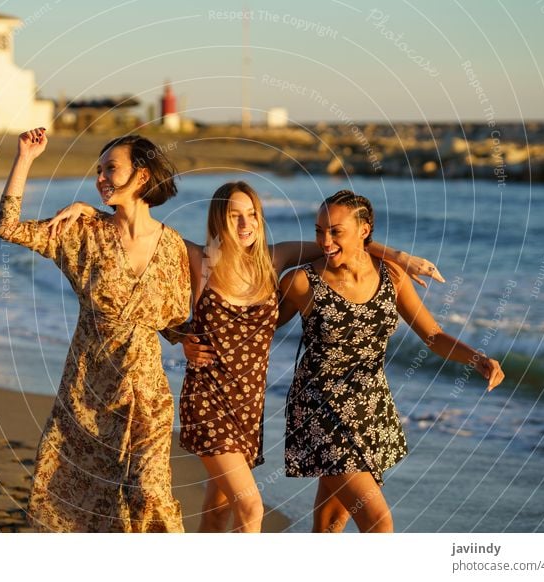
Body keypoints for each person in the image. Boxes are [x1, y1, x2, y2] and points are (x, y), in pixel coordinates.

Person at [48, 181, 443, 532]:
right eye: (234, 215)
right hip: (208, 399)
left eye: (251, 213)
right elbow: (142, 234)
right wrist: (93, 213)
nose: (244, 224)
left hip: (249, 405)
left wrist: (401, 258)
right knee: (251, 506)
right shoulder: (199, 259)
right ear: (220, 220)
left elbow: (344, 243)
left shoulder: (275, 258)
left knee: (217, 513)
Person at [0, 128, 191, 532]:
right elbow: (8, 229)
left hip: (146, 394)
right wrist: (26, 159)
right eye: (98, 170)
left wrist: (201, 345)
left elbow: (172, 320)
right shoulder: (82, 232)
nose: (100, 177)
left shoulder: (172, 246)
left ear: (141, 176)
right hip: (89, 390)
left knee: (150, 492)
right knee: (78, 497)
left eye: (110, 169)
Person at [277, 190, 504, 533]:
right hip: (320, 409)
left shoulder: (391, 276)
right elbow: (256, 330)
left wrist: (477, 358)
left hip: (371, 408)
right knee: (379, 524)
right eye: (319, 231)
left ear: (364, 230)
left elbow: (433, 336)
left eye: (335, 231)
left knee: (331, 523)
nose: (324, 241)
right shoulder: (301, 282)